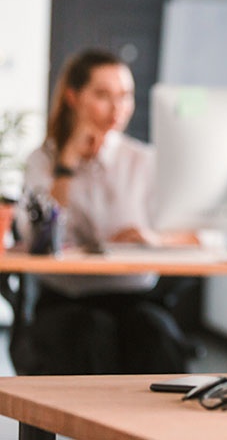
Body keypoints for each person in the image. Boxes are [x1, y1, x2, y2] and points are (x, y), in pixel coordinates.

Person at [14, 48, 193, 375]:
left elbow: (196, 232)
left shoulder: (143, 160)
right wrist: (66, 164)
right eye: (103, 95)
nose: (117, 108)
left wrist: (151, 237)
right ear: (73, 96)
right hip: (66, 301)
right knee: (89, 335)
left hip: (136, 299)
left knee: (157, 336)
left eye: (125, 96)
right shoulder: (44, 160)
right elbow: (38, 237)